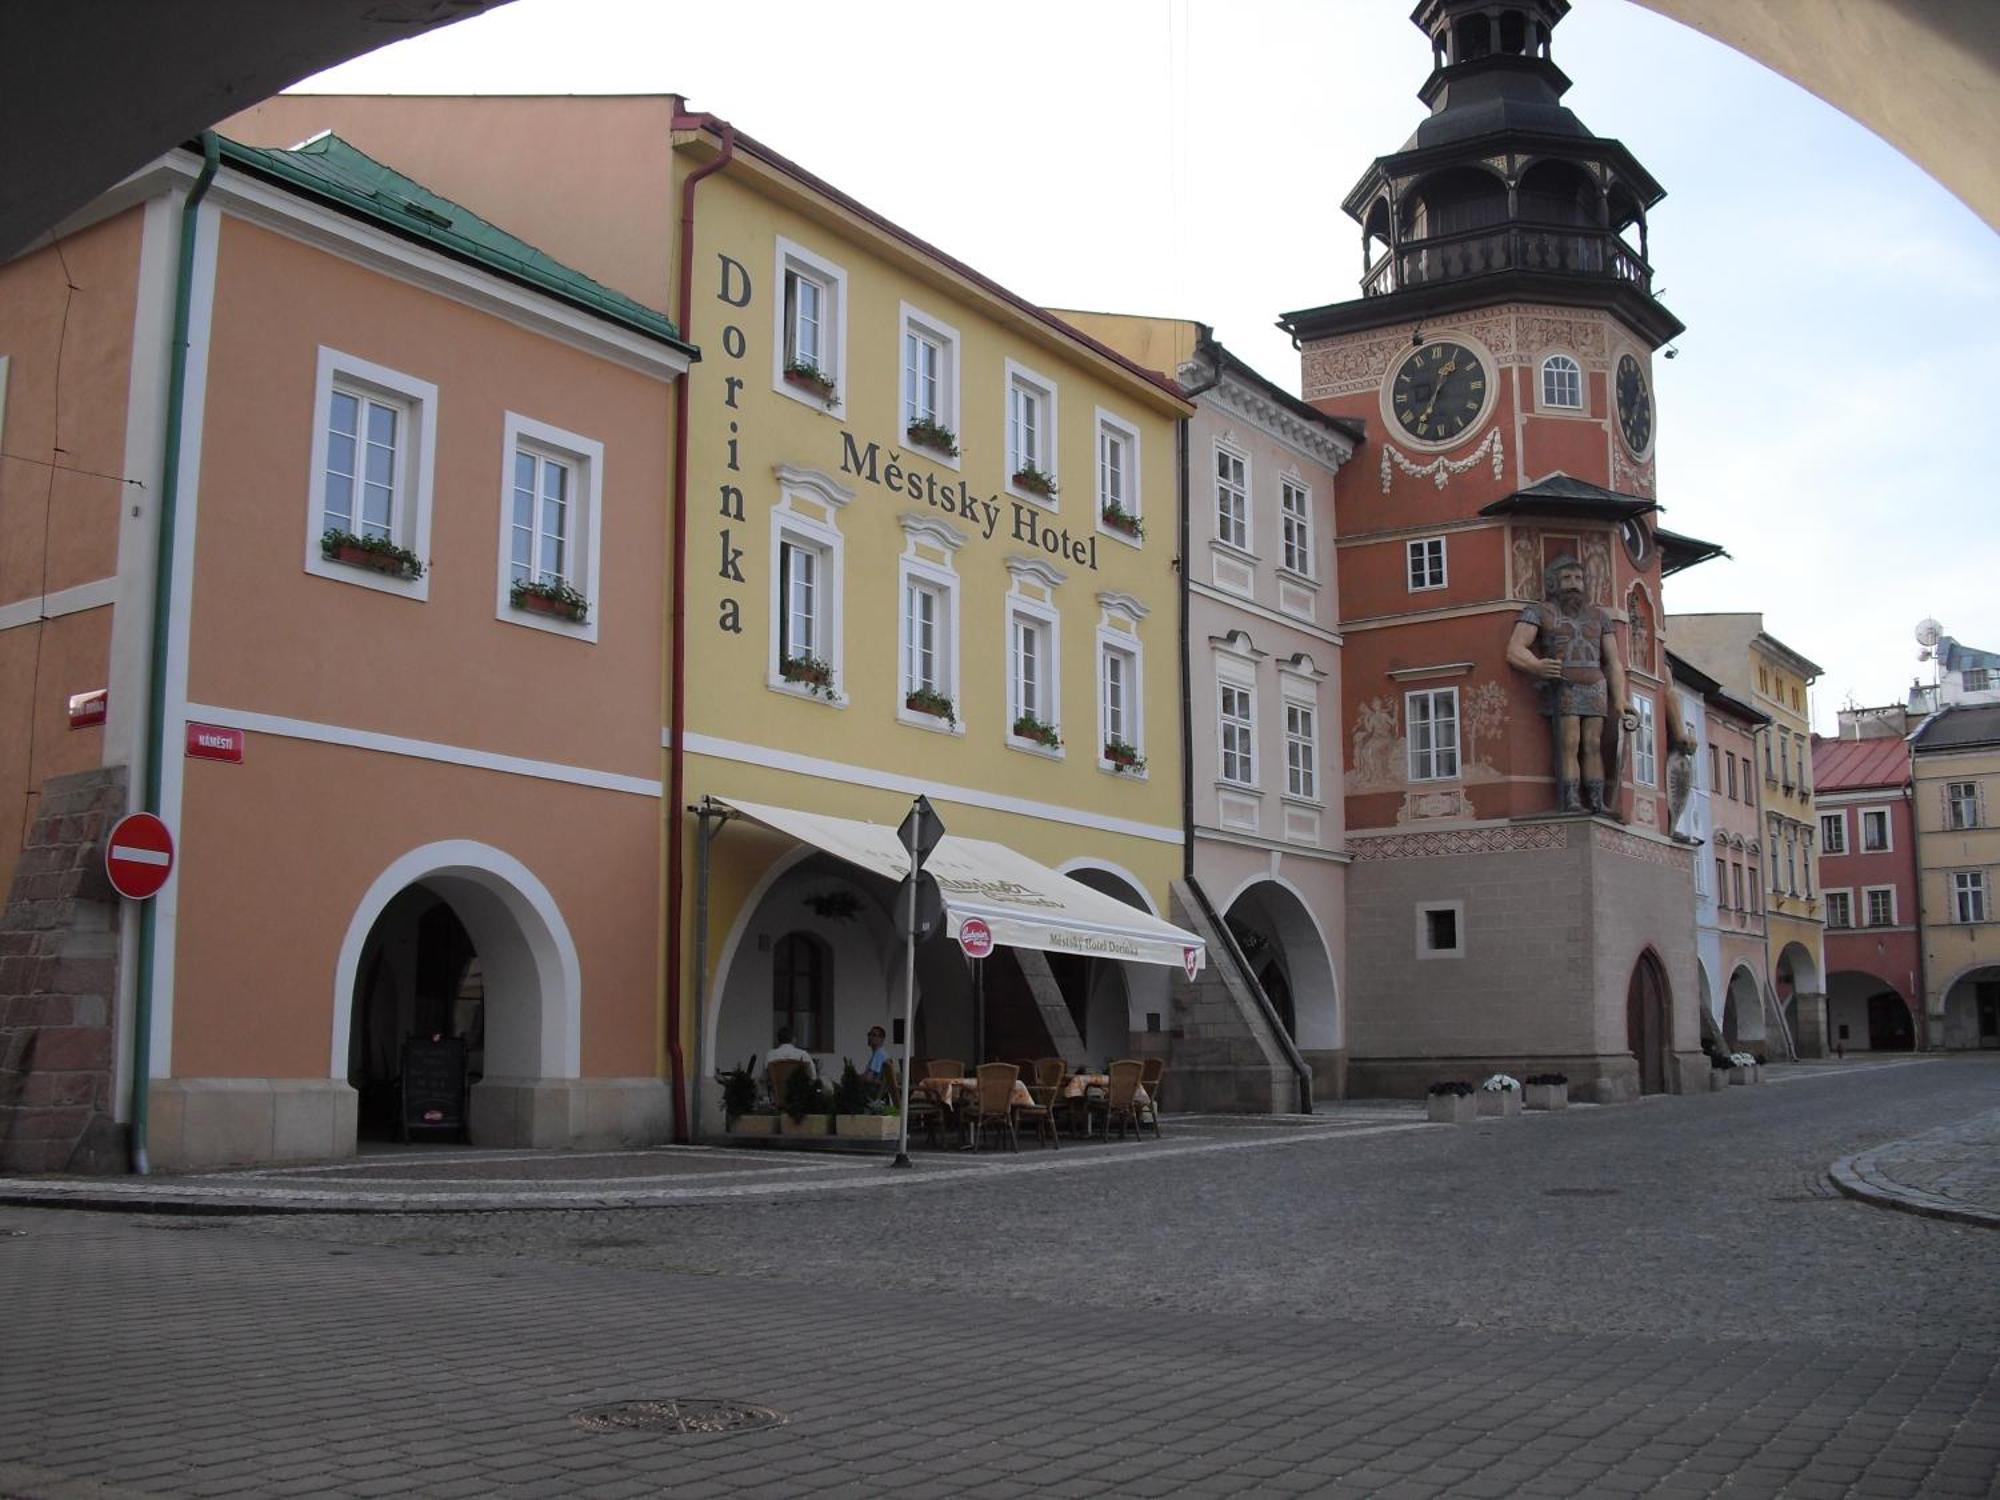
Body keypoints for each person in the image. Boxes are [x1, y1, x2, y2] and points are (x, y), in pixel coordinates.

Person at [1506, 553, 1638, 815]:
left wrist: (1620, 698)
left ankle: (1597, 801)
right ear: (1554, 583)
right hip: (1564, 685)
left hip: (1595, 685)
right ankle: (1572, 799)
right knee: (1570, 742)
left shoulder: (1600, 617)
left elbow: (1613, 661)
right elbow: (1514, 649)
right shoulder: (1539, 611)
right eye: (1567, 578)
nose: (1574, 583)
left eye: (1578, 578)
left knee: (1593, 744)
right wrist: (1537, 666)